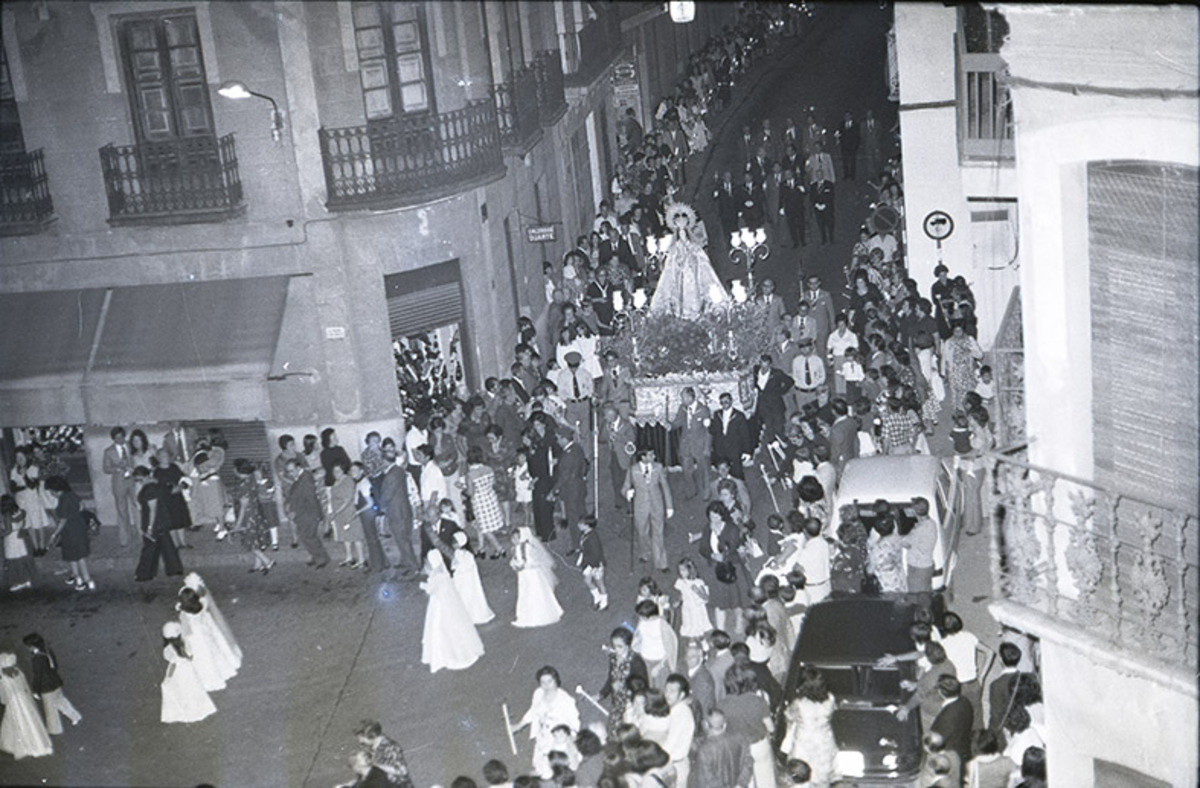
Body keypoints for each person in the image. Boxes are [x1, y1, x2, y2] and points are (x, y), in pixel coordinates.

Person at [647, 201, 728, 319]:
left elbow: (701, 259)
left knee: (694, 299)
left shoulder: (694, 246)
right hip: (679, 278)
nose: (682, 233)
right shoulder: (674, 247)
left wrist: (688, 248)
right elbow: (670, 266)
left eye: (684, 230)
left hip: (693, 277)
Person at [420, 550, 485, 673]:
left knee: (439, 628)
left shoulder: (438, 576)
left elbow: (431, 590)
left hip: (439, 607)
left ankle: (444, 654)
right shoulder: (442, 574)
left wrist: (422, 585)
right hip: (438, 605)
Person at [510, 666, 581, 780]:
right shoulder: (538, 693)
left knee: (560, 765)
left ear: (556, 681)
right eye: (542, 682)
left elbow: (574, 722)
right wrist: (519, 726)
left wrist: (570, 738)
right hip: (543, 734)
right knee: (541, 764)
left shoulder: (566, 700)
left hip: (559, 736)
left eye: (549, 681)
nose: (546, 686)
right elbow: (533, 711)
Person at [719, 664, 777, 788]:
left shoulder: (722, 704)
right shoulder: (758, 701)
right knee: (765, 781)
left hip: (737, 749)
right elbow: (770, 727)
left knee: (744, 781)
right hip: (758, 745)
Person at [781, 667, 838, 787]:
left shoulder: (799, 704)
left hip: (804, 742)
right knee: (822, 774)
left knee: (801, 778)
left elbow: (789, 716)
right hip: (824, 741)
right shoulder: (830, 699)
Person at [177, 586, 238, 693]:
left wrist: (187, 648)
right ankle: (220, 671)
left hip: (196, 640)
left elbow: (187, 633)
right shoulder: (202, 605)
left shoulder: (184, 615)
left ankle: (208, 679)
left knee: (203, 659)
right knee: (213, 653)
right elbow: (203, 596)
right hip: (206, 635)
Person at [623, 449, 674, 572]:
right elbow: (625, 487)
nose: (654, 456)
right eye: (651, 455)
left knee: (658, 532)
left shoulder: (658, 467)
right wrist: (627, 493)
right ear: (643, 457)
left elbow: (665, 486)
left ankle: (661, 562)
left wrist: (669, 506)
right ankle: (644, 553)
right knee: (642, 531)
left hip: (657, 503)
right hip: (640, 506)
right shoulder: (633, 469)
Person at [22, 633, 81, 736]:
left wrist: (36, 691)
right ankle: (75, 716)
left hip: (46, 687)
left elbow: (37, 676)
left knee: (50, 709)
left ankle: (55, 729)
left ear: (32, 646)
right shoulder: (47, 651)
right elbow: (55, 665)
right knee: (61, 701)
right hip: (55, 682)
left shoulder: (36, 659)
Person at [159, 621, 218, 725]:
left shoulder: (169, 650)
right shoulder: (185, 643)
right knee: (193, 688)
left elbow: (173, 665)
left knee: (183, 690)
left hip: (179, 672)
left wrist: (168, 677)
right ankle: (200, 708)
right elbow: (191, 657)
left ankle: (188, 711)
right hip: (189, 670)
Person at [180, 572, 242, 669]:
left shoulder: (186, 614)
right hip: (207, 628)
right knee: (214, 644)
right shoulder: (203, 603)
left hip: (196, 634)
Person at [44, 476, 95, 591]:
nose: (51, 494)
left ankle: (82, 579)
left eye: (51, 491)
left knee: (73, 556)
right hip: (80, 527)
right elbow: (82, 506)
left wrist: (54, 534)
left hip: (69, 530)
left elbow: (63, 520)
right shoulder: (72, 495)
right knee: (79, 554)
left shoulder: (63, 500)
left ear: (56, 490)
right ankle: (80, 578)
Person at [0, 651, 52, 760]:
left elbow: (3, 693)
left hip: (14, 701)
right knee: (30, 720)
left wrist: (5, 701)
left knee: (18, 720)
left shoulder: (3, 678)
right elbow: (25, 687)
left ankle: (26, 745)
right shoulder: (18, 672)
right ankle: (37, 743)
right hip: (24, 699)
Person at [511, 526, 563, 628]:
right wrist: (514, 564)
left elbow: (535, 561)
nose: (513, 540)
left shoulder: (528, 547)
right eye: (512, 538)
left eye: (516, 538)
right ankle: (525, 614)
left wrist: (523, 566)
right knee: (525, 592)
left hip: (532, 574)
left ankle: (539, 614)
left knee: (534, 592)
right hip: (523, 575)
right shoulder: (515, 548)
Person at [229, 460, 274, 575]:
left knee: (250, 542)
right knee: (256, 540)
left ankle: (267, 561)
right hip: (256, 512)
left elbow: (243, 505)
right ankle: (257, 565)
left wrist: (238, 523)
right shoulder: (252, 479)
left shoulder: (242, 485)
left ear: (239, 471)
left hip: (248, 516)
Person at [284, 458, 331, 569]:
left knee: (308, 536)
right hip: (302, 513)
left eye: (291, 470)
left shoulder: (306, 478)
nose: (290, 473)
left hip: (308, 513)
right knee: (306, 536)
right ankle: (317, 557)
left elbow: (311, 498)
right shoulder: (301, 477)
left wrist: (317, 515)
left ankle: (322, 558)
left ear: (298, 467)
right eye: (288, 471)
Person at [691, 709, 754, 788]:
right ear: (724, 725)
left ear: (705, 725)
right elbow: (748, 763)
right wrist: (741, 784)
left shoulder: (704, 750)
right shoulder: (739, 739)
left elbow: (705, 780)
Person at [464, 446, 507, 559]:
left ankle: (500, 549)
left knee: (485, 529)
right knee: (480, 525)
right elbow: (493, 483)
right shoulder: (488, 469)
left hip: (479, 502)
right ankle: (481, 548)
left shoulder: (470, 474)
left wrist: (463, 488)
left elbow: (470, 493)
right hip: (490, 498)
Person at [671, 387, 712, 501]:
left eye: (683, 397)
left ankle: (706, 491)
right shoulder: (682, 408)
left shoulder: (703, 410)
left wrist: (707, 448)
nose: (682, 400)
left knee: (704, 469)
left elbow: (708, 432)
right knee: (686, 469)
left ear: (690, 397)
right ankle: (691, 490)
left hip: (699, 445)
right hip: (686, 445)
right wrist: (671, 425)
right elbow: (678, 422)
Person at [101, 427, 136, 546]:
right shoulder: (108, 451)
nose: (119, 440)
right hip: (119, 482)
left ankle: (142, 535)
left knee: (137, 507)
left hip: (133, 480)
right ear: (113, 439)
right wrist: (117, 468)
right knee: (122, 511)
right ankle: (125, 538)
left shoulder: (131, 446)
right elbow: (105, 469)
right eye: (117, 438)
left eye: (121, 437)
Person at [450, 531, 494, 625]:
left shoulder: (468, 555)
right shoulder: (456, 553)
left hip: (467, 580)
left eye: (455, 542)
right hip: (459, 579)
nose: (453, 544)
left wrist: (458, 569)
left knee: (469, 596)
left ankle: (473, 615)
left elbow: (468, 567)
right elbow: (453, 565)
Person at [632, 599, 678, 690]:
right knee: (649, 685)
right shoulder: (642, 622)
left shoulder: (662, 625)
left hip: (659, 660)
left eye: (642, 616)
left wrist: (659, 666)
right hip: (646, 659)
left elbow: (670, 647)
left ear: (650, 616)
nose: (640, 618)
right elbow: (638, 638)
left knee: (660, 687)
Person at [354, 720, 415, 788]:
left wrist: (376, 765)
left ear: (371, 735)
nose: (360, 742)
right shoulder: (371, 748)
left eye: (362, 739)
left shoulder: (390, 747)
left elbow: (402, 771)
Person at [709, 392, 754, 480]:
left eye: (726, 402)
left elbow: (745, 435)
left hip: (734, 449)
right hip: (721, 449)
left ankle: (740, 491)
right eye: (722, 402)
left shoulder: (739, 416)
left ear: (731, 401)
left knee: (737, 474)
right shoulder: (717, 414)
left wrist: (747, 451)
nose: (724, 404)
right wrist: (708, 425)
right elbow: (714, 431)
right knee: (723, 474)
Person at [674, 556, 713, 641]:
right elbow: (681, 593)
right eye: (679, 570)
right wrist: (678, 601)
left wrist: (698, 591)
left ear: (690, 570)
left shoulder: (698, 582)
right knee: (689, 625)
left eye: (683, 570)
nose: (681, 573)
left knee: (698, 627)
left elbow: (706, 598)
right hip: (687, 608)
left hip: (697, 609)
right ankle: (692, 642)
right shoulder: (680, 582)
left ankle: (703, 642)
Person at [2, 494, 35, 592]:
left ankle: (20, 581)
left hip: (11, 539)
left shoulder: (7, 515)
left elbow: (8, 530)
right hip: (20, 537)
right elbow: (24, 523)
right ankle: (27, 579)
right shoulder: (20, 511)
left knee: (14, 562)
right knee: (22, 560)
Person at [576, 514, 608, 610]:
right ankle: (597, 597)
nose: (578, 525)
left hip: (596, 564)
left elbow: (596, 554)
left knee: (599, 582)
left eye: (581, 524)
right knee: (587, 581)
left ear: (587, 525)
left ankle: (604, 601)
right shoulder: (585, 534)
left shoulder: (593, 538)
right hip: (589, 562)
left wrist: (591, 566)